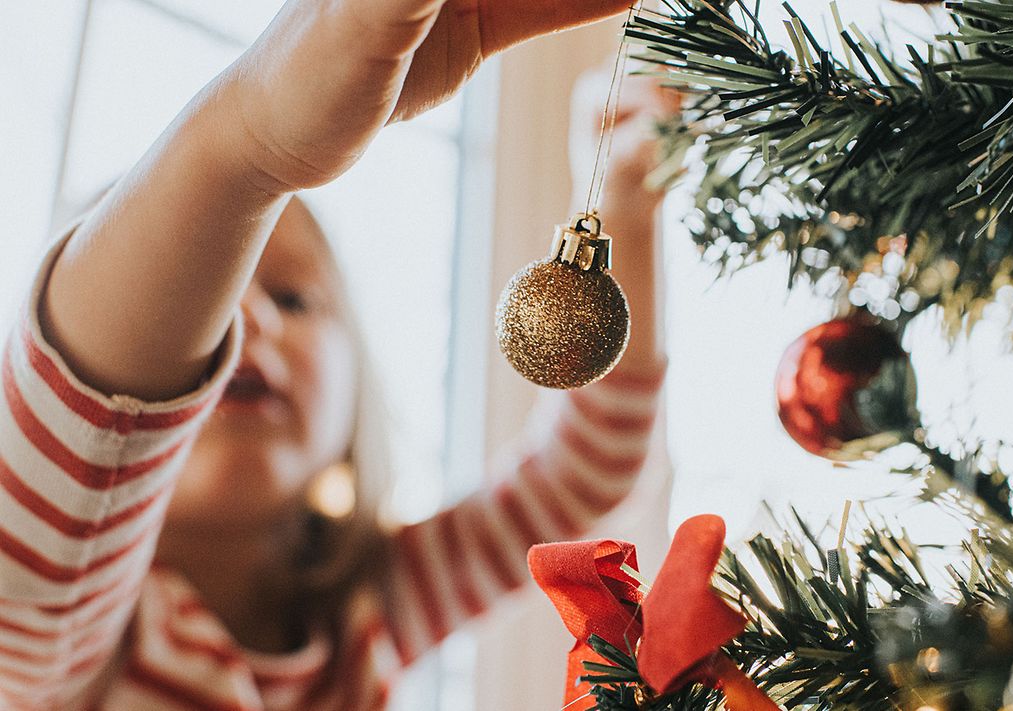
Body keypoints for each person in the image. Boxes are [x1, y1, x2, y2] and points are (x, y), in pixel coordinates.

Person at [0, 0, 674, 707]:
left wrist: (621, 203)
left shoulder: (368, 611)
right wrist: (249, 144)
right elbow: (73, 434)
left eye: (293, 299)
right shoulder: (67, 635)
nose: (251, 316)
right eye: (199, 311)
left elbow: (586, 468)